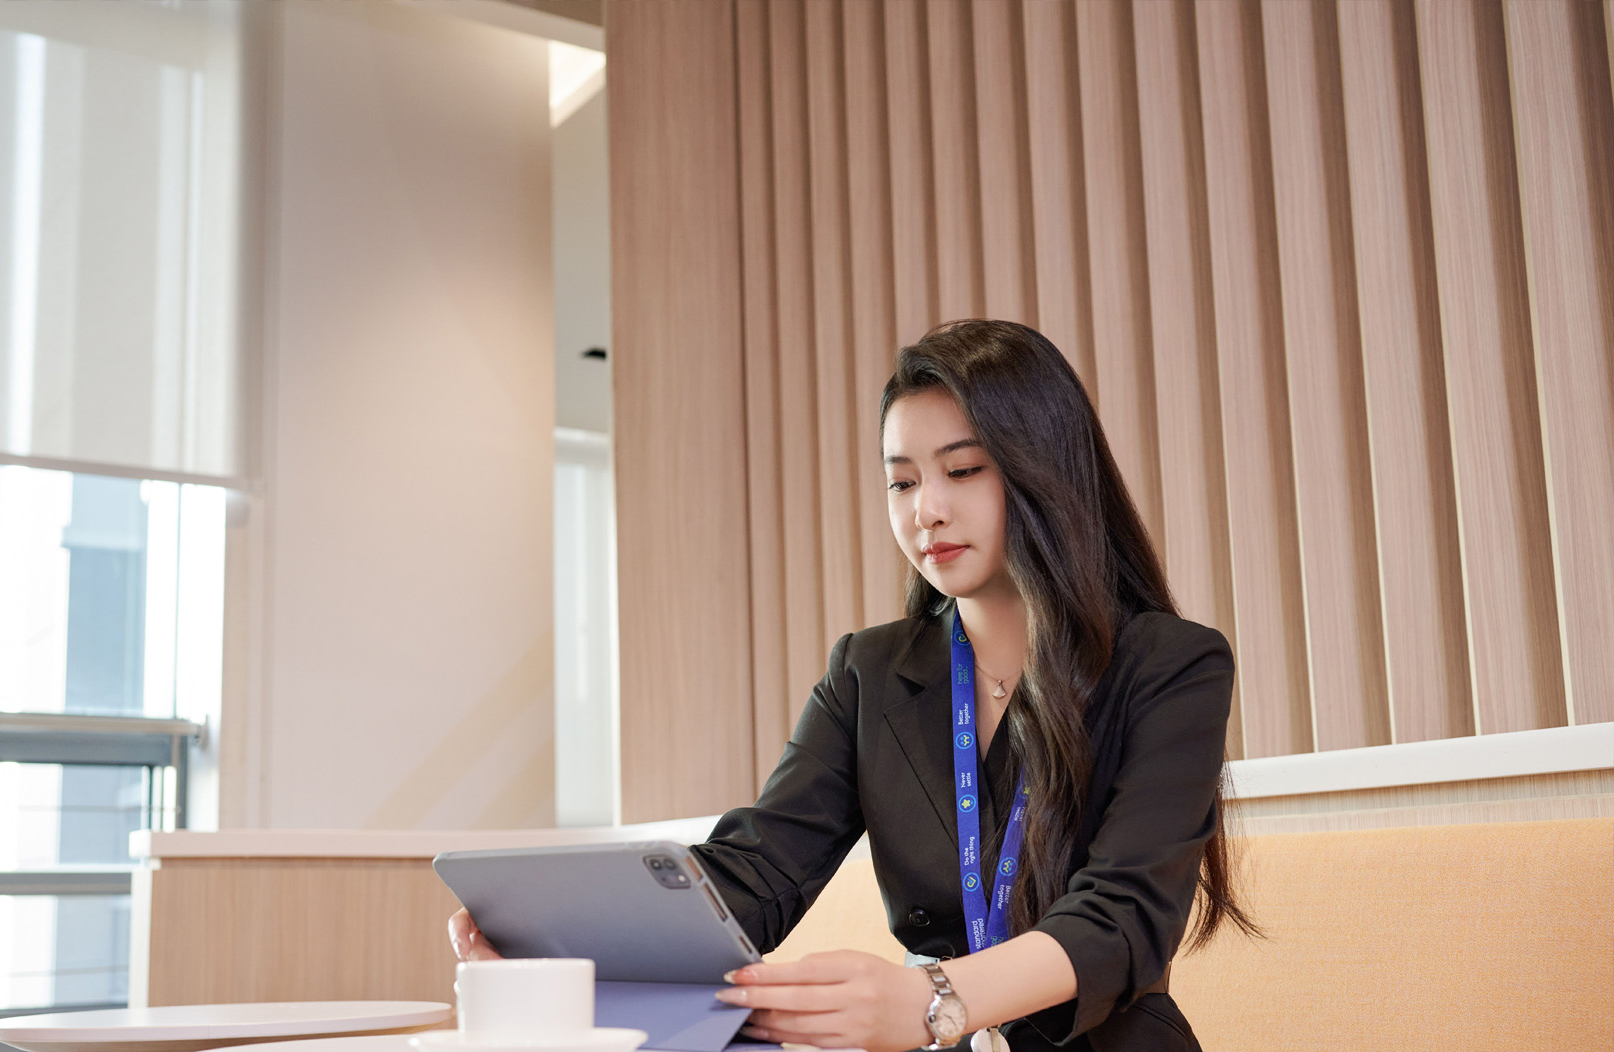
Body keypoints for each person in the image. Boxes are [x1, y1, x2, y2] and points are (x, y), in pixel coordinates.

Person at [451, 320, 1257, 1052]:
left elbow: (1121, 916)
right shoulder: (868, 674)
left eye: (964, 470)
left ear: (1045, 472)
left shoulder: (1170, 665)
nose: (927, 511)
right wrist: (560, 944)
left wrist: (929, 1000)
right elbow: (760, 871)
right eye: (902, 483)